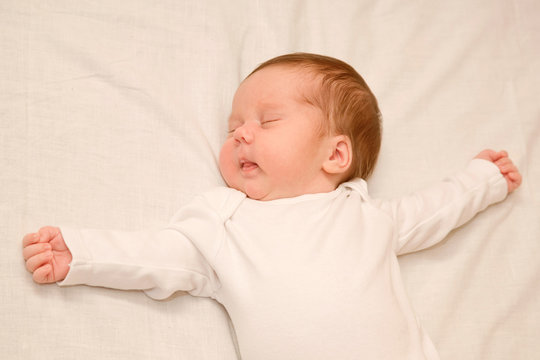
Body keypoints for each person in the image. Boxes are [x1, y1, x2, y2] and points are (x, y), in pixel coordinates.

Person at [22, 53, 521, 359]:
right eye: (233, 125)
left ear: (336, 155)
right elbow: (158, 257)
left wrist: (482, 180)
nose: (241, 132)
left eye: (268, 120)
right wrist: (80, 255)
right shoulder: (227, 222)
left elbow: (433, 211)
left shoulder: (365, 215)